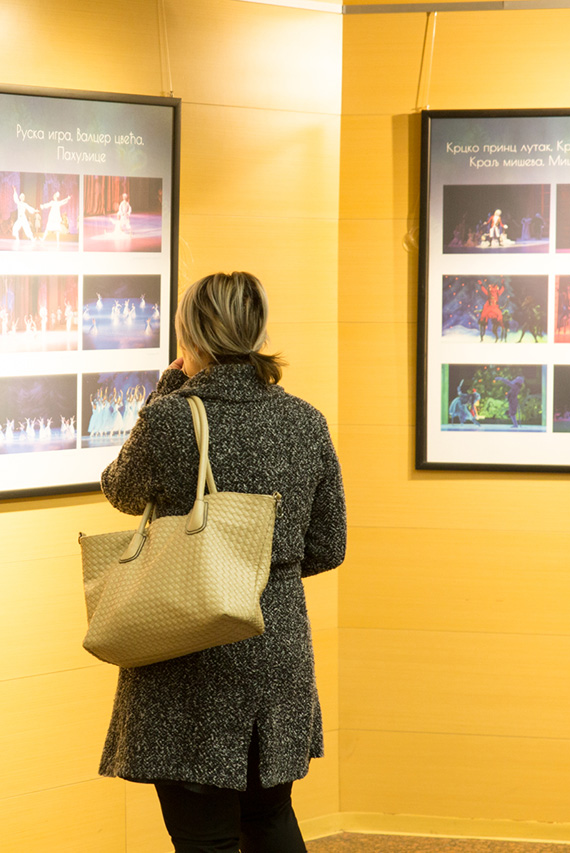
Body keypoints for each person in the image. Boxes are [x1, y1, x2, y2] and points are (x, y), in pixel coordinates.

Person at [97, 271, 346, 853]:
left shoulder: (172, 418)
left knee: (204, 837)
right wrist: (261, 571)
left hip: (191, 648)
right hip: (277, 644)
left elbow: (120, 490)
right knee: (269, 817)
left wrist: (168, 387)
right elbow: (328, 544)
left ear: (191, 336)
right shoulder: (305, 420)